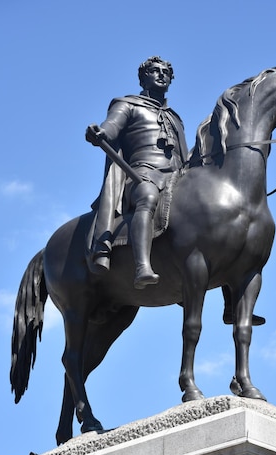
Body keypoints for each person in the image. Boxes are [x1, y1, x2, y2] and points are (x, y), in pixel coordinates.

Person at [86, 56, 188, 289]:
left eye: (166, 72)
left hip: (176, 177)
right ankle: (142, 266)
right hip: (141, 174)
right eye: (155, 71)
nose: (162, 75)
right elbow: (111, 127)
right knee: (148, 197)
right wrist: (100, 133)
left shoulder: (175, 118)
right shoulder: (127, 104)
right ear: (143, 77)